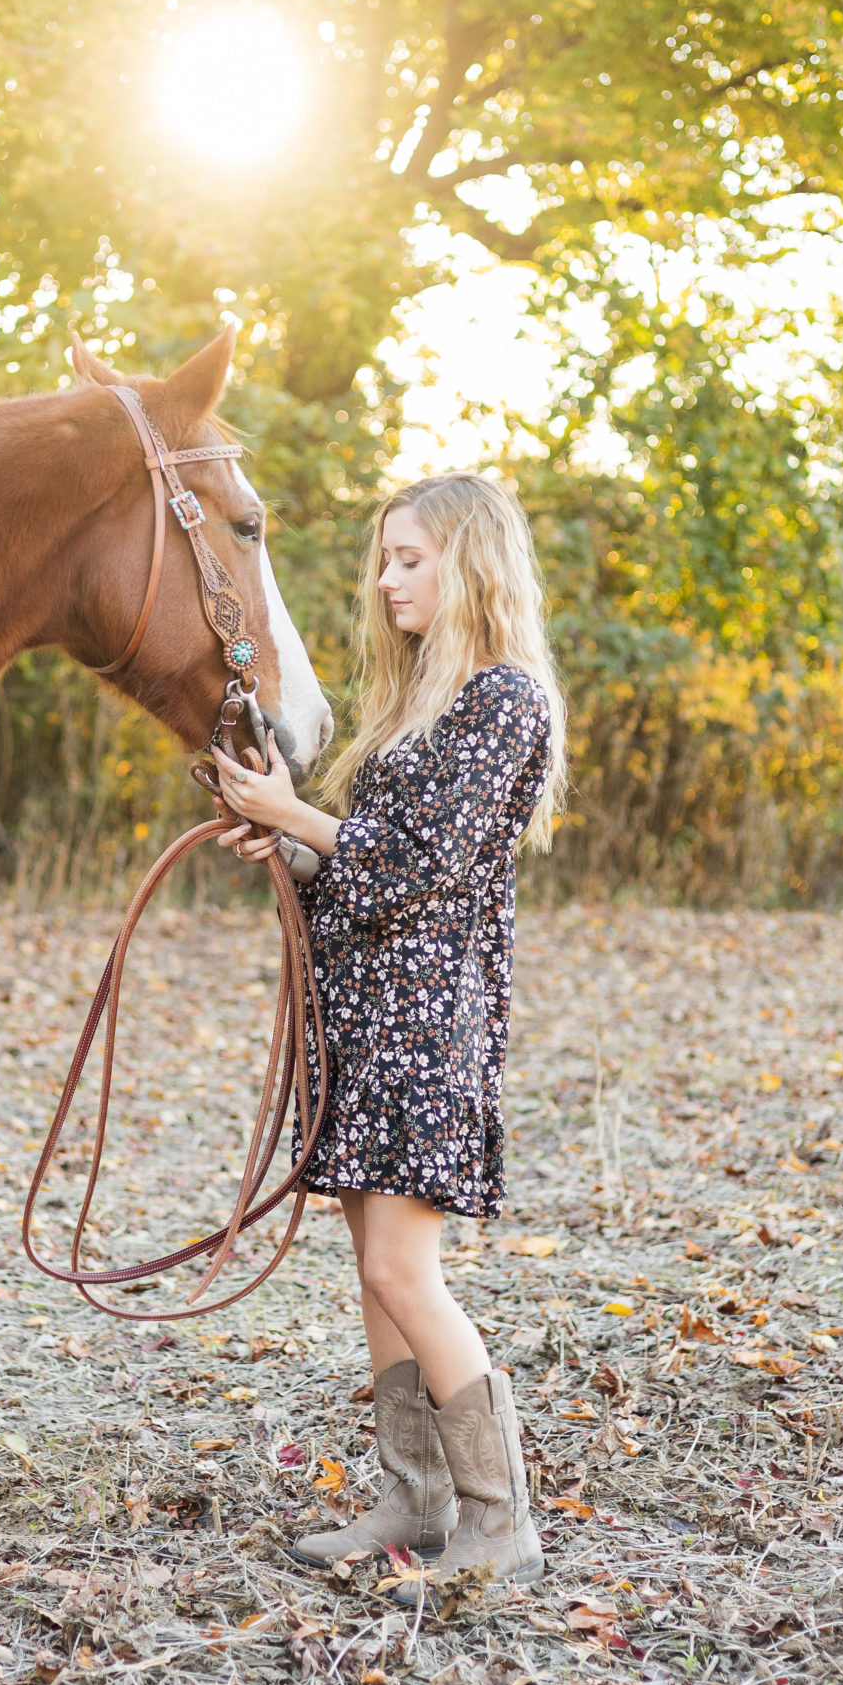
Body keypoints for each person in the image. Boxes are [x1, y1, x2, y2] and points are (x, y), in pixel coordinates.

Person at [212, 472, 567, 1605]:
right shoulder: (418, 701)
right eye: (386, 558)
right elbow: (362, 869)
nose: (386, 579)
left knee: (400, 1268)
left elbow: (420, 872)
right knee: (373, 1276)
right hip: (368, 1016)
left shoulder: (503, 702)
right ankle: (413, 1500)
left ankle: (500, 1522)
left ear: (468, 561)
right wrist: (293, 842)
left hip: (427, 1024)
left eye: (408, 558)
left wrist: (295, 818)